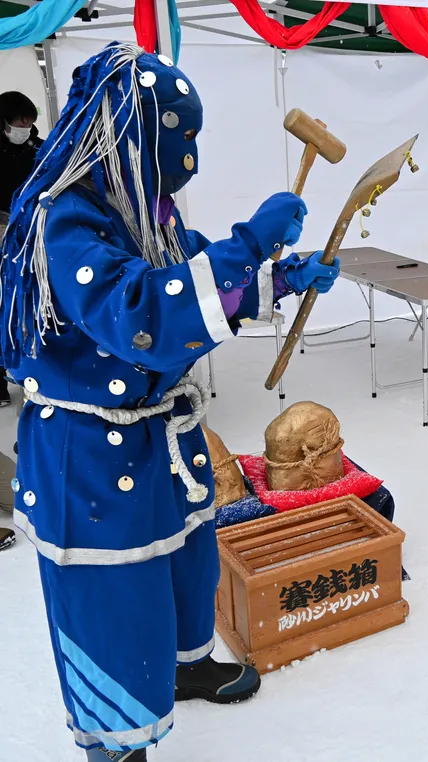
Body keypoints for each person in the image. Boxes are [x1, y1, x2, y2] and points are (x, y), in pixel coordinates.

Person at [0, 43, 340, 760]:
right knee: (113, 608)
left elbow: (197, 284)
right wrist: (250, 241)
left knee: (188, 572)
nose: (187, 153)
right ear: (131, 134)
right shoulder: (65, 220)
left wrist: (280, 278)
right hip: (90, 461)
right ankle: (116, 740)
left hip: (161, 443)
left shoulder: (140, 211)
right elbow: (145, 314)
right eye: (179, 135)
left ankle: (184, 668)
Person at [0, 91, 44, 407]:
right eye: (19, 120)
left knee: (31, 301)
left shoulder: (39, 148)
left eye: (29, 120)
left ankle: (33, 371)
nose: (25, 125)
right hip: (2, 230)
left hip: (33, 231)